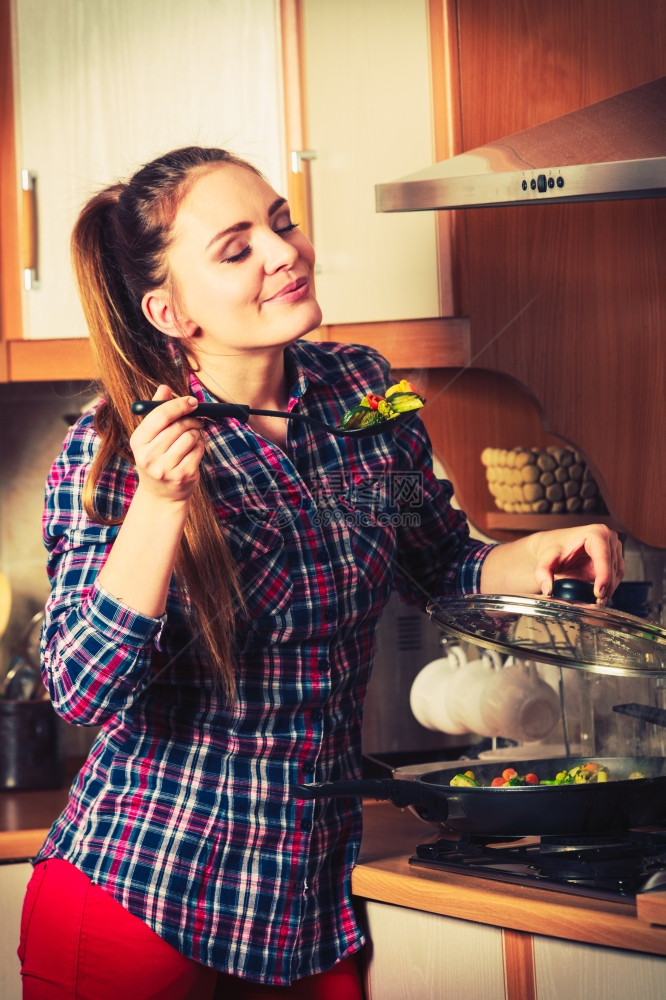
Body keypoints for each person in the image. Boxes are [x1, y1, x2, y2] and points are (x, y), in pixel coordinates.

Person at [18, 146, 623, 999]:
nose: (283, 252)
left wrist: (533, 554)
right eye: (236, 249)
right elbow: (81, 690)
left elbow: (441, 558)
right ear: (169, 309)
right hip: (143, 893)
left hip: (305, 903)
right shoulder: (116, 449)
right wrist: (159, 504)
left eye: (281, 222)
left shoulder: (362, 393)